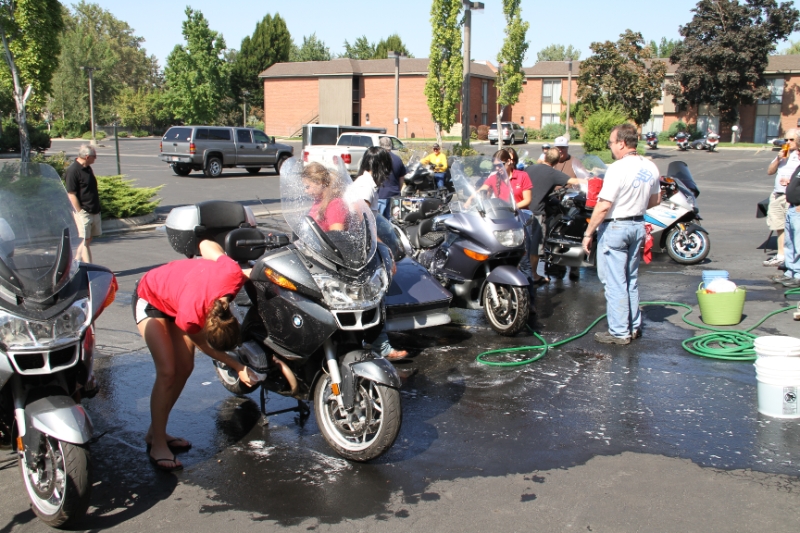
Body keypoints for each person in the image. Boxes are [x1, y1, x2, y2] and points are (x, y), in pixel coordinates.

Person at [133, 239, 256, 471]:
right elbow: (207, 347)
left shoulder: (231, 274)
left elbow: (207, 244)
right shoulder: (192, 317)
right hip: (151, 296)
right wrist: (237, 366)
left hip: (178, 296)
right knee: (168, 371)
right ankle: (157, 444)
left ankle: (155, 432)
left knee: (185, 368)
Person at [582, 123, 660, 345]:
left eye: (611, 143)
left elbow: (604, 205)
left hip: (616, 227)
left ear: (622, 143)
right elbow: (655, 200)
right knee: (630, 279)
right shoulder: (650, 166)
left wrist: (589, 233)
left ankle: (619, 332)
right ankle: (633, 326)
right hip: (637, 225)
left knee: (615, 282)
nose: (610, 147)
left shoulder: (618, 168)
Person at [350, 147, 408, 361]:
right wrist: (385, 251)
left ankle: (369, 341)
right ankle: (380, 346)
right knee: (376, 296)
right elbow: (363, 222)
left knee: (368, 297)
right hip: (362, 251)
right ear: (381, 167)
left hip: (359, 248)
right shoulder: (366, 187)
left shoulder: (362, 183)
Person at [526, 147, 585, 285]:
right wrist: (591, 180)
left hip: (523, 209)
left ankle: (521, 271)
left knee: (524, 244)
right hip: (537, 213)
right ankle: (534, 275)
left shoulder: (530, 168)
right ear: (558, 160)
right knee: (535, 246)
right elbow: (573, 181)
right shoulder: (553, 173)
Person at [765, 129, 800, 269]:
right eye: (786, 140)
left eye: (791, 140)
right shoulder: (783, 154)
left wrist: (789, 182)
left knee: (794, 230)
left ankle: (793, 264)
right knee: (779, 226)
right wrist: (779, 159)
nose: (788, 142)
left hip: (791, 197)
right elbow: (770, 171)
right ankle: (781, 256)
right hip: (777, 194)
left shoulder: (798, 156)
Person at [65, 144, 101, 263]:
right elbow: (71, 194)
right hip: (83, 211)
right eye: (94, 156)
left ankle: (76, 261)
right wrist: (80, 211)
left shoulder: (87, 168)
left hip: (93, 209)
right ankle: (89, 268)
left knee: (87, 239)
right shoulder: (73, 171)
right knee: (84, 241)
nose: (95, 158)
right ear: (87, 156)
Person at [774, 135, 800, 287]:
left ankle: (798, 275)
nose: (797, 153)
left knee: (798, 244)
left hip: (798, 208)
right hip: (792, 208)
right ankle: (790, 272)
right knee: (789, 243)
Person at [303, 162, 348, 231]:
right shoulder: (318, 201)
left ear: (319, 182)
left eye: (307, 187)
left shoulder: (335, 204)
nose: (306, 191)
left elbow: (337, 235)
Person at [377, 137, 407, 219]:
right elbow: (401, 178)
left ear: (380, 146)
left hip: (381, 195)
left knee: (380, 223)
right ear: (390, 146)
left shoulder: (377, 159)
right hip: (395, 195)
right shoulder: (398, 160)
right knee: (393, 223)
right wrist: (398, 189)